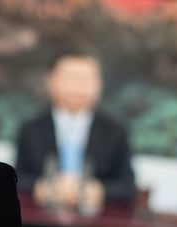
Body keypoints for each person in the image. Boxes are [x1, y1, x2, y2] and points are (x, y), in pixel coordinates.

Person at [14, 45, 136, 215]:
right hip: (42, 224)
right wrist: (40, 187)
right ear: (49, 80)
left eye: (85, 79)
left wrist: (98, 191)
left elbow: (127, 187)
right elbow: (17, 179)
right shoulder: (31, 129)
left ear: (99, 84)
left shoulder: (115, 131)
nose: (77, 86)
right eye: (70, 77)